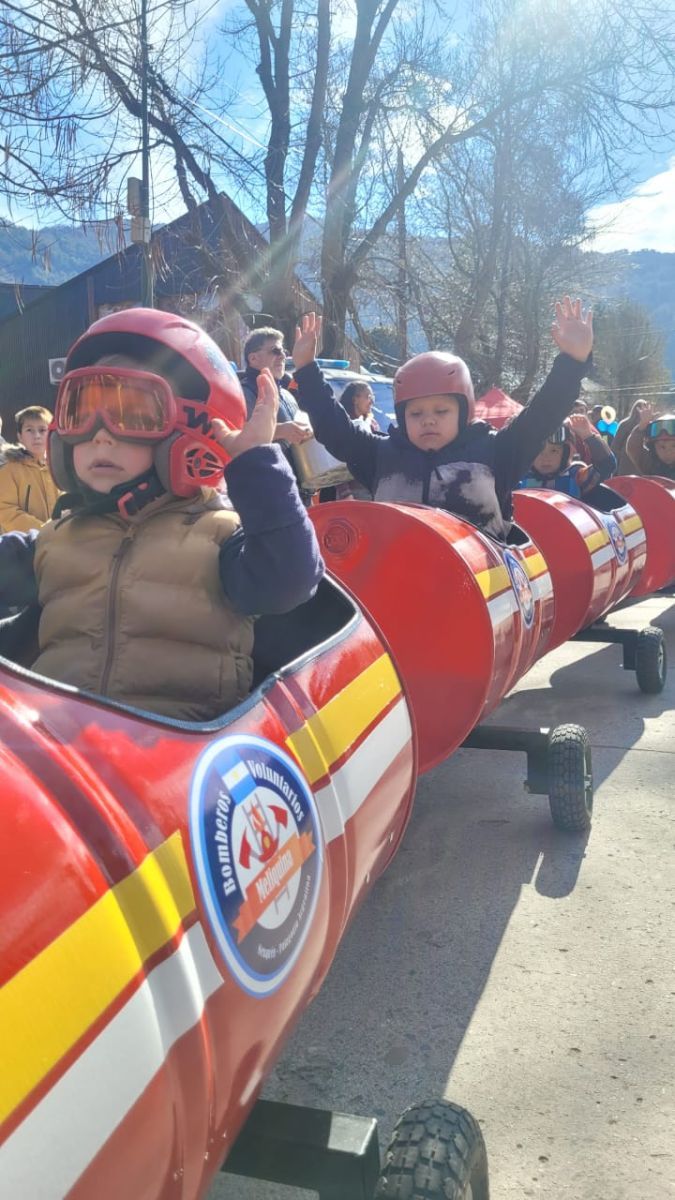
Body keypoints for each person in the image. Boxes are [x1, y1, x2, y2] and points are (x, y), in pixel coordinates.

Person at [0, 308, 324, 721]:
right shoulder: (54, 538)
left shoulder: (220, 537)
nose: (100, 433)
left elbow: (289, 581)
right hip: (60, 752)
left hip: (175, 754)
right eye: (83, 413)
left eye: (131, 414)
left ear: (193, 433)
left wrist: (256, 463)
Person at [291, 297, 594, 540]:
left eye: (441, 411)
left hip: (484, 589)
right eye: (416, 413)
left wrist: (572, 362)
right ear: (402, 416)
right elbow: (334, 428)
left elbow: (543, 415)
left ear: (464, 412)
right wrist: (305, 370)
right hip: (401, 586)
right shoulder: (380, 455)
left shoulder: (497, 451)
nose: (428, 421)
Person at [516, 413, 616, 499]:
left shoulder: (576, 476)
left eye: (554, 451)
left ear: (567, 452)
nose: (545, 458)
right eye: (538, 451)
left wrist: (588, 436)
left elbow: (606, 465)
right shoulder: (519, 478)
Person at [0, 405, 61, 532]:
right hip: (26, 544)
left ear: (50, 434)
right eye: (29, 430)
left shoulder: (59, 468)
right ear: (20, 436)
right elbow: (5, 509)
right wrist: (42, 530)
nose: (37, 436)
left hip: (59, 540)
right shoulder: (9, 471)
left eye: (42, 430)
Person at [625, 405, 675, 481]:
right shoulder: (650, 463)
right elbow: (633, 448)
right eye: (662, 447)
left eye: (673, 446)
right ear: (653, 448)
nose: (667, 452)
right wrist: (642, 426)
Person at [611, 398, 649, 474]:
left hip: (641, 465)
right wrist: (624, 456)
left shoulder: (649, 426)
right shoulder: (625, 424)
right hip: (625, 465)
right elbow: (614, 446)